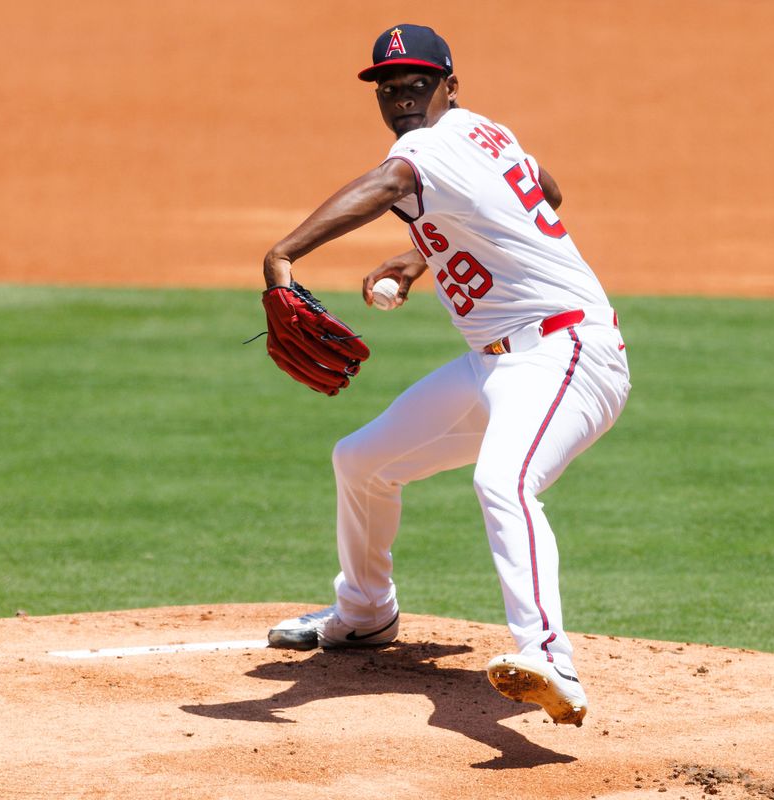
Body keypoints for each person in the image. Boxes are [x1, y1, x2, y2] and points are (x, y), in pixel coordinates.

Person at [262, 23, 630, 727]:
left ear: (449, 86)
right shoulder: (483, 133)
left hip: (568, 352)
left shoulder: (422, 150)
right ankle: (366, 612)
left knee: (503, 480)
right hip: (495, 366)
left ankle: (551, 659)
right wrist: (416, 258)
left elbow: (392, 181)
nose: (402, 96)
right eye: (390, 87)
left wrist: (282, 256)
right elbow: (542, 191)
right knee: (362, 461)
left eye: (417, 84)